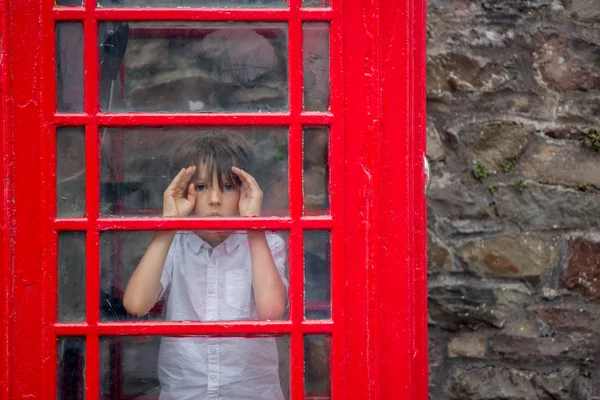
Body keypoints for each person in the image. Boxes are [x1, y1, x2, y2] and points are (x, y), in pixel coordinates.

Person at [123, 131, 288, 400]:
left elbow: (272, 311)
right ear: (181, 190)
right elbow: (137, 304)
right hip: (184, 393)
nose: (214, 200)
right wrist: (167, 226)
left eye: (227, 187)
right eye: (200, 187)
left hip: (252, 393)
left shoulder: (266, 244)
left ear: (246, 190)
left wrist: (253, 224)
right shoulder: (173, 245)